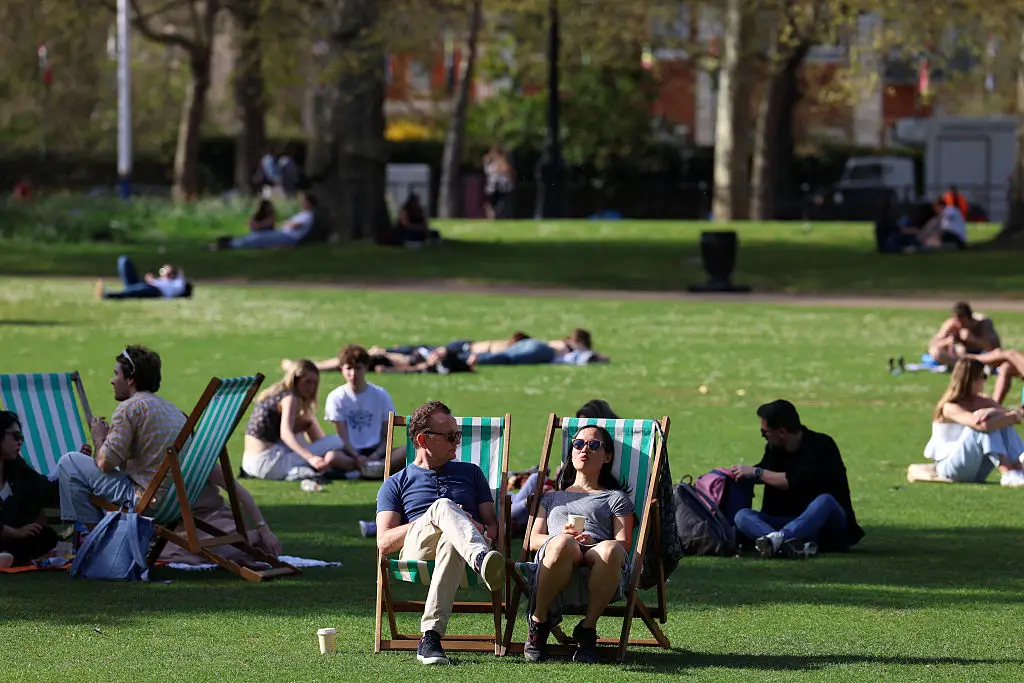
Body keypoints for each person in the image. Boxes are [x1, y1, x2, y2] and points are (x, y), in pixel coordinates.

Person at [375, 400, 505, 665]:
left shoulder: (471, 473)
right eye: (450, 436)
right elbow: (384, 542)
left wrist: (471, 526)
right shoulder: (395, 483)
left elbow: (493, 528)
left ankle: (431, 637)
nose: (457, 441)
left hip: (460, 548)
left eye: (458, 434)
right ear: (423, 440)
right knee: (443, 507)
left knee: (450, 538)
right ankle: (481, 560)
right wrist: (434, 517)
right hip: (419, 548)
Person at [523, 424, 634, 664]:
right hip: (557, 555)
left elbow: (623, 544)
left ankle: (587, 628)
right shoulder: (551, 497)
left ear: (607, 457)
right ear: (571, 452)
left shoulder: (615, 498)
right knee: (564, 543)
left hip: (598, 556)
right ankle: (539, 621)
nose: (585, 449)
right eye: (579, 444)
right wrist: (560, 539)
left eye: (594, 445)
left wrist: (593, 541)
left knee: (611, 549)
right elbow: (533, 540)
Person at [57, 346, 187, 527]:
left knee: (70, 462)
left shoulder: (130, 408)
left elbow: (105, 464)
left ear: (131, 379)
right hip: (175, 502)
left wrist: (99, 438)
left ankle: (91, 536)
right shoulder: (172, 410)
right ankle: (101, 533)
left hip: (146, 501)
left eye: (116, 374)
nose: (112, 381)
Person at [730, 400, 864, 558]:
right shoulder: (774, 450)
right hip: (787, 520)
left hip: (825, 525)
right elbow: (764, 471)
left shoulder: (821, 446)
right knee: (742, 516)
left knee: (825, 501)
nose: (763, 437)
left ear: (782, 432)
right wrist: (736, 474)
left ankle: (778, 540)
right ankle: (787, 545)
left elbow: (794, 481)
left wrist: (757, 472)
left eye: (765, 432)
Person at [913, 359, 1024, 487]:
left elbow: (1014, 416)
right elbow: (980, 425)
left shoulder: (983, 401)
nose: (984, 381)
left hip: (976, 468)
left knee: (999, 421)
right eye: (982, 376)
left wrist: (992, 411)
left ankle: (1018, 470)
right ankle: (1008, 473)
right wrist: (1004, 416)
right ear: (970, 379)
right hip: (950, 468)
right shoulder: (950, 407)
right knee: (985, 425)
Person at [159, 461, 284, 568]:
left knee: (193, 551)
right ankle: (240, 553)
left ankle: (250, 542)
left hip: (214, 519)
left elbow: (240, 492)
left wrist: (263, 528)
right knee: (176, 553)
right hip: (184, 526)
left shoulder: (201, 462)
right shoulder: (159, 466)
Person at [241, 360, 346, 481]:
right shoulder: (289, 398)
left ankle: (309, 466)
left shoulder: (275, 393)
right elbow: (285, 433)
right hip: (269, 465)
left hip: (249, 465)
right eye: (307, 382)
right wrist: (310, 457)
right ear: (295, 379)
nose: (311, 388)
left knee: (305, 422)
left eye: (314, 384)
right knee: (335, 441)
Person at [324, 345, 404, 475]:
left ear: (366, 367)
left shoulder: (380, 395)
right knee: (331, 457)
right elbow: (342, 436)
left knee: (409, 450)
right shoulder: (336, 397)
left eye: (358, 368)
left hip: (377, 450)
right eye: (349, 368)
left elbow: (387, 434)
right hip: (350, 452)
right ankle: (374, 470)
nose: (353, 374)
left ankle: (369, 470)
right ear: (341, 369)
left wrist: (376, 454)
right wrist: (357, 456)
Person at [0, 411, 61, 567]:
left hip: (8, 539)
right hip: (7, 534)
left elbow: (47, 490)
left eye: (21, 437)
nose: (20, 442)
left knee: (46, 536)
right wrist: (16, 532)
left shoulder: (17, 470)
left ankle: (9, 557)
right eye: (15, 436)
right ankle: (11, 557)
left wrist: (74, 468)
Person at [215, 192, 318, 250]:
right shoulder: (301, 214)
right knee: (257, 236)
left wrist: (287, 223)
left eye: (304, 201)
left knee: (259, 239)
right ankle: (231, 241)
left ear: (308, 203)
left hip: (289, 237)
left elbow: (296, 225)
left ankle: (232, 245)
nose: (301, 203)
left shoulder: (307, 215)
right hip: (283, 233)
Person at [468, 329, 610, 367]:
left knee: (508, 353)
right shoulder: (577, 347)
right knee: (511, 358)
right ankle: (478, 359)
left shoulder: (562, 341)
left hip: (533, 343)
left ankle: (465, 356)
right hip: (544, 351)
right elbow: (600, 357)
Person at [928, 301, 1001, 367]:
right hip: (959, 355)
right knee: (935, 351)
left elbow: (993, 346)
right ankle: (962, 366)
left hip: (980, 354)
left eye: (963, 322)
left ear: (970, 318)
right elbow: (933, 343)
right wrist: (947, 341)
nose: (960, 325)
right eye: (957, 321)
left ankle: (971, 365)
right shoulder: (951, 324)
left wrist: (973, 339)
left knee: (996, 354)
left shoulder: (983, 323)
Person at [97, 257, 190, 300]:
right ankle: (126, 290)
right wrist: (150, 280)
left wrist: (151, 281)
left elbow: (176, 287)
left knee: (131, 292)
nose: (163, 273)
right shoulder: (162, 280)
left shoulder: (177, 283)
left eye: (165, 270)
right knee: (124, 260)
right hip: (146, 285)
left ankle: (107, 294)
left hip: (155, 291)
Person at [482, 146, 514, 219]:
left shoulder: (502, 161)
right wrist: (486, 162)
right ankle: (492, 216)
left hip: (502, 187)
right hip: (492, 187)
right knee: (490, 204)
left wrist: (499, 159)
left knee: (501, 204)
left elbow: (504, 170)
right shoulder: (491, 163)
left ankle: (498, 216)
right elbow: (487, 172)